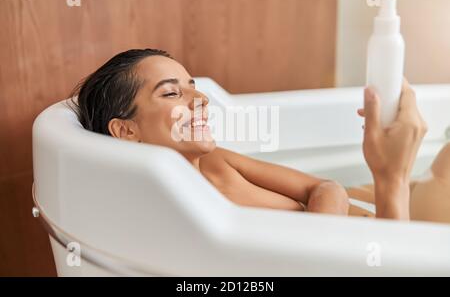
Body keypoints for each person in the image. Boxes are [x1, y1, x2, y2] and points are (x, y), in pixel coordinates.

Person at [71, 48, 449, 221]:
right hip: (395, 232)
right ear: (125, 130)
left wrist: (323, 231)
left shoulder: (216, 162)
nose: (200, 98)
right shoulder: (180, 214)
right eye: (172, 92)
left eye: (193, 85)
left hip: (381, 212)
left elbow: (326, 187)